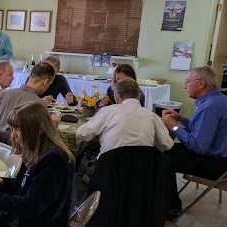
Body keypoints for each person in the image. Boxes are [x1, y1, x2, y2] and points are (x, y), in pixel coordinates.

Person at [161, 66, 227, 217]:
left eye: (187, 82)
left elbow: (199, 146)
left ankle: (171, 207)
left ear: (201, 83)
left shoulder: (210, 106)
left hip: (216, 164)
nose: (185, 86)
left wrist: (174, 128)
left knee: (163, 157)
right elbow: (205, 130)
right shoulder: (218, 99)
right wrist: (182, 119)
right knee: (166, 148)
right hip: (220, 158)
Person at [76, 78, 173, 158]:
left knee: (80, 159)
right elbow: (167, 144)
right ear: (138, 96)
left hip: (108, 172)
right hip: (142, 174)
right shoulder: (152, 116)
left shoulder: (108, 111)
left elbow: (82, 134)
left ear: (116, 97)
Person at [0, 62, 55, 131]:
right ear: (45, 82)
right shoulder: (38, 104)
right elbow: (44, 132)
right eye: (49, 84)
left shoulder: (5, 94)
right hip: (16, 141)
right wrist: (54, 122)